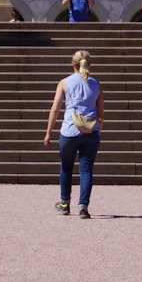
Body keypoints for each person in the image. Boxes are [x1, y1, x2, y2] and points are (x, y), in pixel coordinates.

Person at [42, 50, 102, 218]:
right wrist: (99, 128)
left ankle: (64, 203)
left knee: (66, 167)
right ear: (89, 64)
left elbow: (55, 109)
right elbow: (101, 111)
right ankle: (83, 207)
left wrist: (48, 132)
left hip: (69, 130)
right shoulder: (96, 84)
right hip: (90, 130)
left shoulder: (65, 82)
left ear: (72, 64)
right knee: (86, 169)